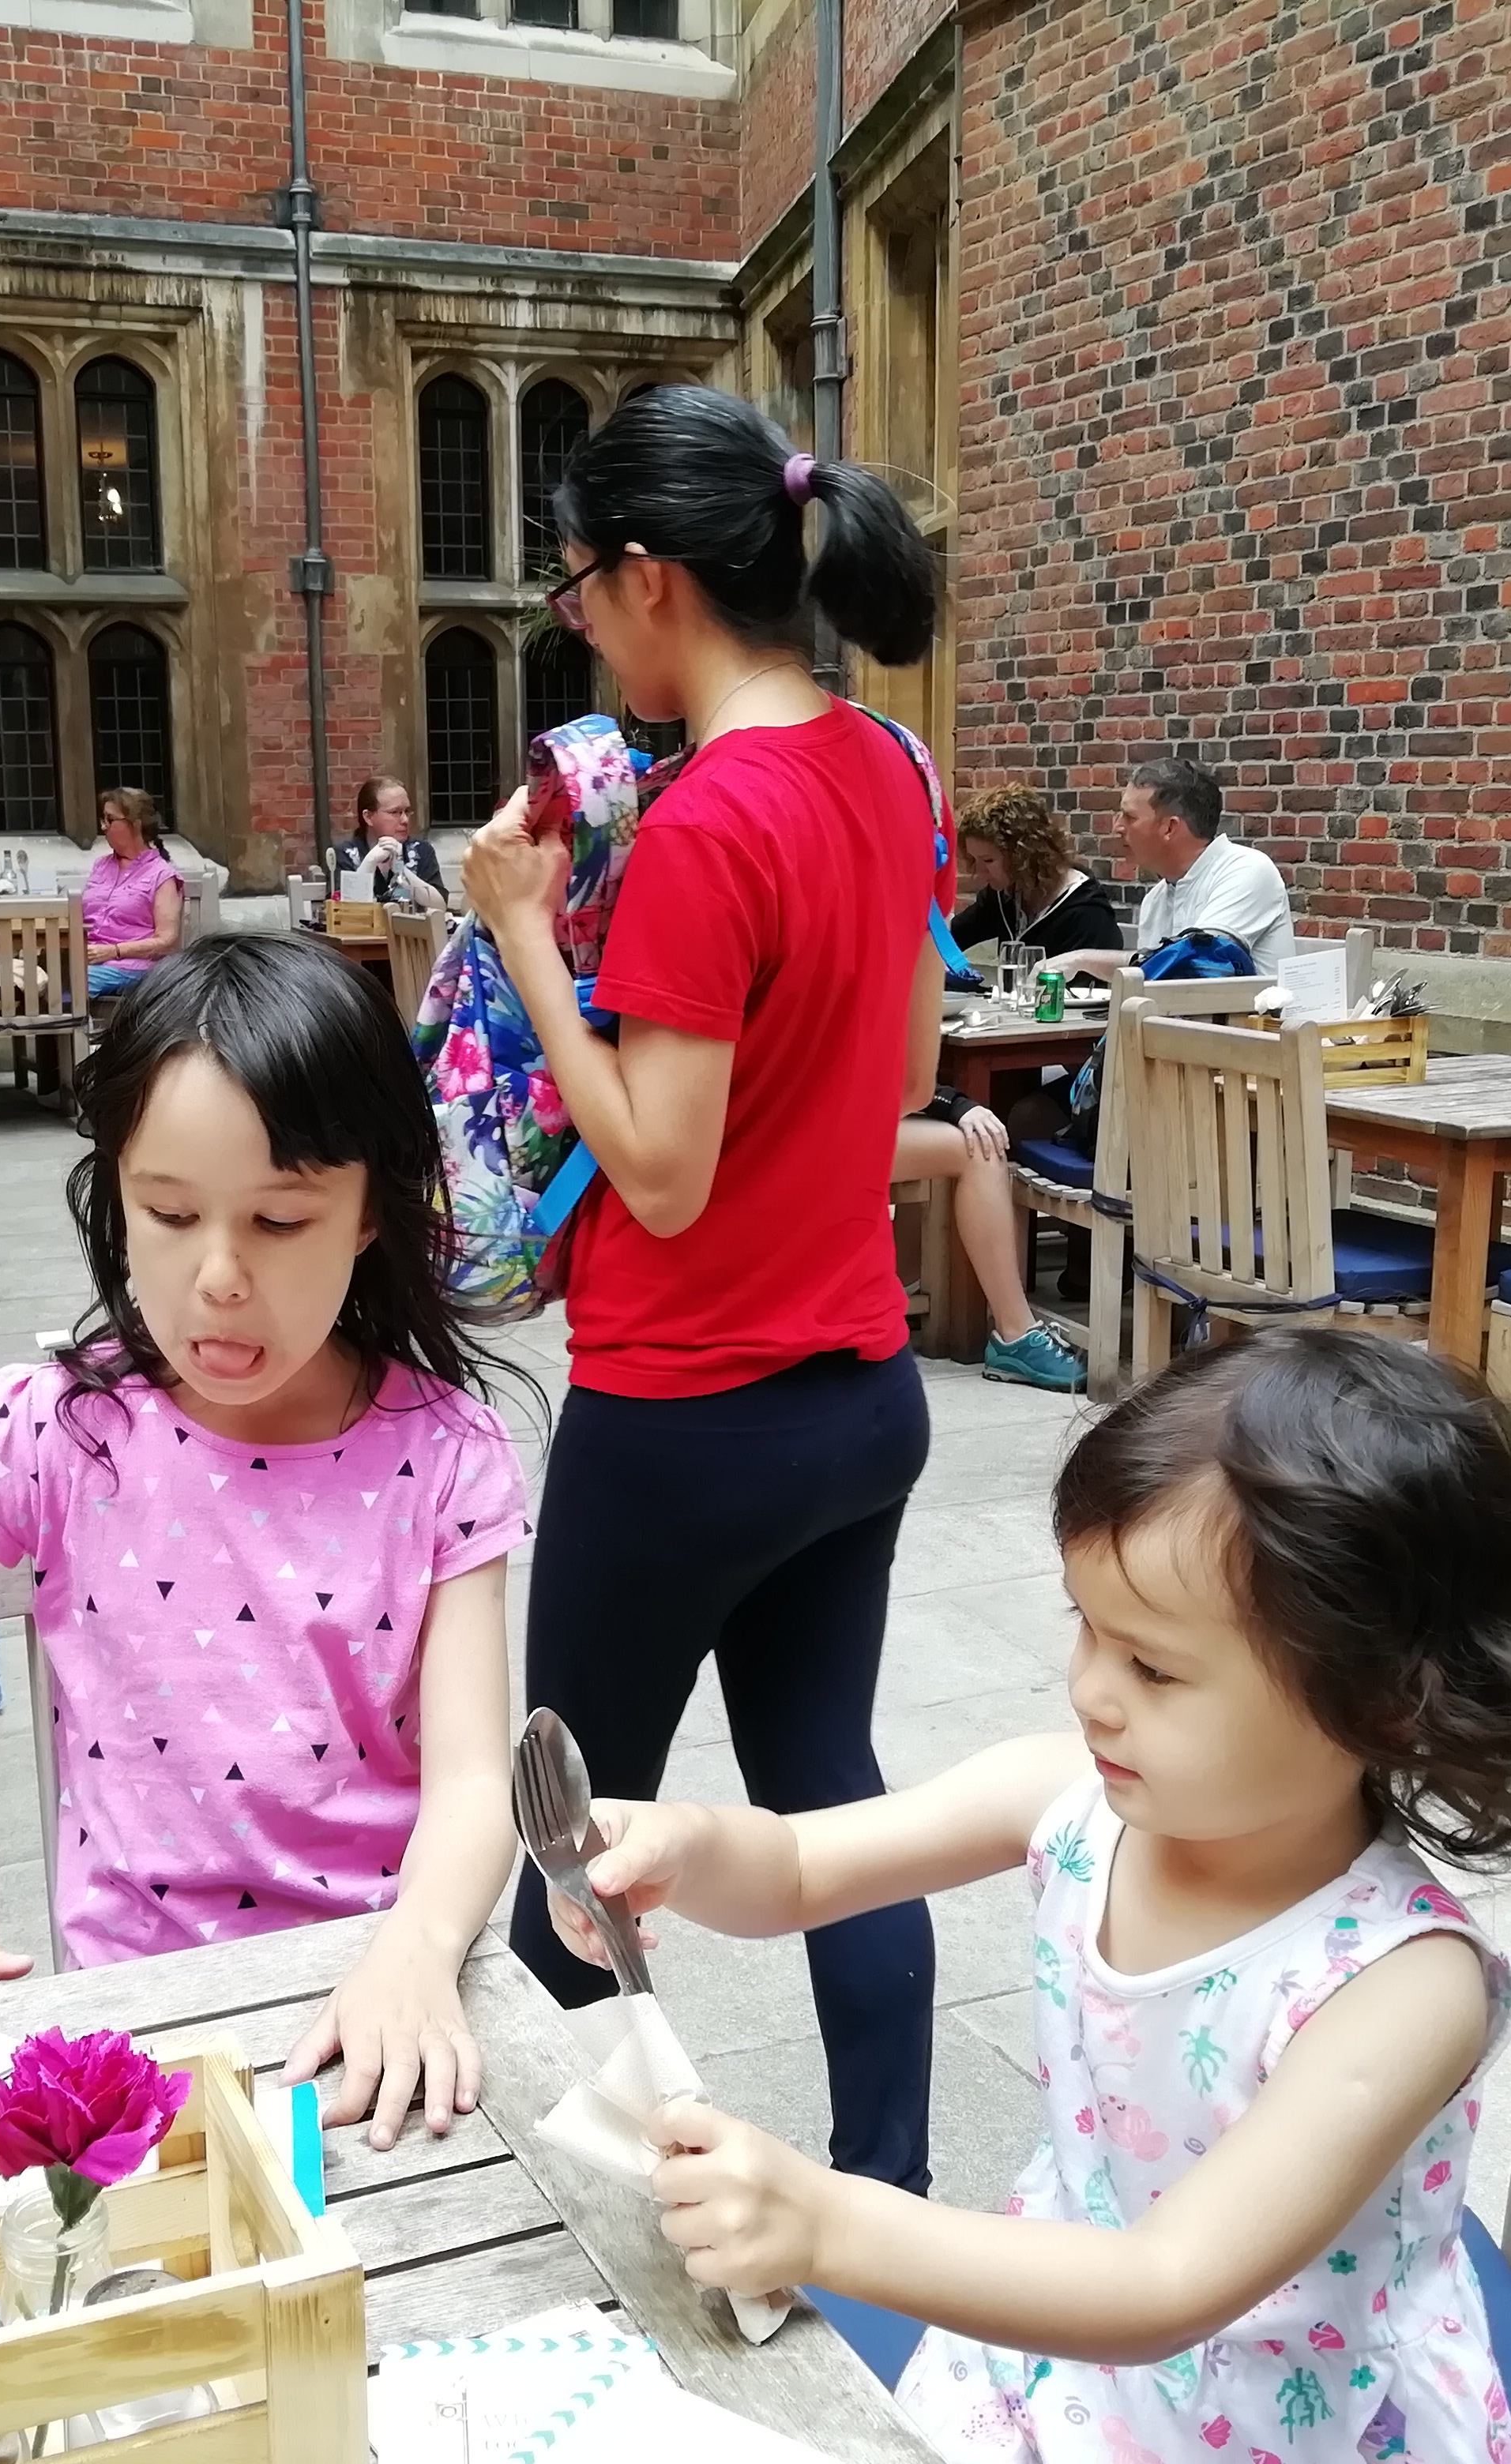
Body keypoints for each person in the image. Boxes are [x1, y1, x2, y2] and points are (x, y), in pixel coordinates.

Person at [544, 1329, 1511, 2462]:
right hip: (1048, 2326)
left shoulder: (1399, 1986)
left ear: (1383, 1704)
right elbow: (801, 1868)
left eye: (1154, 1668)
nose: (1092, 1693)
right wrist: (682, 1846)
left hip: (1281, 2416)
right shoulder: (1070, 1804)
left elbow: (1166, 2284)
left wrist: (826, 2222)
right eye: (1088, 1630)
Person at [0, 934, 528, 2152]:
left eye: (280, 1220)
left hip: (380, 2012)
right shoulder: (57, 1430)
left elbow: (475, 1781)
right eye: (169, 1213)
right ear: (116, 1194)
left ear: (373, 1210)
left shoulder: (444, 1453)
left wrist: (420, 1948)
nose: (219, 1276)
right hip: (138, 2048)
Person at [460, 382, 949, 2195]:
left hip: (681, 1418)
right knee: (838, 1805)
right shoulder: (887, 771)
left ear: (650, 577)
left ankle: (565, 2216)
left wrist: (521, 930)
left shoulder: (703, 825)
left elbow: (659, 1173)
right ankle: (887, 2204)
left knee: (564, 1846)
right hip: (857, 1395)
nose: (580, 626)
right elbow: (907, 1072)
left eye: (580, 588)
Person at [896, 1100, 1082, 1391]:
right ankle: (1015, 1332)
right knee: (982, 1148)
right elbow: (911, 1087)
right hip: (829, 1130)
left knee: (977, 1131)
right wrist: (952, 1103)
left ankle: (900, 1284)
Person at [1058, 756, 1292, 980]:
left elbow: (1199, 963)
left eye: (1129, 817)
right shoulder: (1155, 900)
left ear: (1170, 828)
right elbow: (1153, 982)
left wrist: (1081, 959)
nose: (1117, 827)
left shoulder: (1247, 870)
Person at [946, 785, 1118, 967]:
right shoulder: (1004, 895)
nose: (979, 873)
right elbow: (950, 939)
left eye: (988, 860)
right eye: (974, 859)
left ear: (1023, 854)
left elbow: (1089, 984)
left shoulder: (1088, 914)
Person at [80, 787, 184, 998]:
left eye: (110, 820)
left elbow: (167, 942)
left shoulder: (161, 875)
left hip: (132, 967)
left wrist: (114, 951)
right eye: (103, 819)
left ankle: (67, 1017)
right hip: (87, 961)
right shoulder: (101, 866)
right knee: (34, 975)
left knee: (74, 984)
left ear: (135, 824)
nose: (103, 827)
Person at [339, 774, 446, 909]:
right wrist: (370, 862)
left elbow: (440, 906)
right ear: (368, 817)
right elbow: (344, 910)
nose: (405, 820)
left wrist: (402, 871)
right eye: (395, 812)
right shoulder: (345, 854)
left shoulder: (421, 850)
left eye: (407, 811)